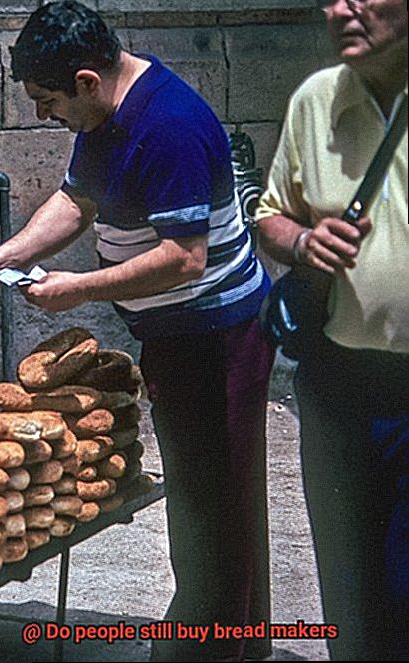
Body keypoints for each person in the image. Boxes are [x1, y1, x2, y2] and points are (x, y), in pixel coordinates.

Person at [0, 2, 273, 660]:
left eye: (47, 100)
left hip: (216, 335)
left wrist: (77, 290)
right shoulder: (105, 113)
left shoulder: (168, 126)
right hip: (178, 332)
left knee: (212, 504)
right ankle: (238, 634)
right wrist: (1, 257)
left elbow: (184, 257)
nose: (43, 113)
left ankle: (208, 645)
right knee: (213, 493)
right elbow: (76, 199)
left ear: (88, 81)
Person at [254, 0, 408, 658]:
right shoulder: (316, 100)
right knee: (349, 588)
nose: (337, 9)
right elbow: (269, 215)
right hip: (337, 386)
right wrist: (304, 240)